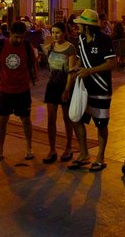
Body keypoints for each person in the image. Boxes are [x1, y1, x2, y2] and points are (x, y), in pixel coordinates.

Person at [69, 9, 117, 172]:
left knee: (101, 123)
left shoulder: (104, 40)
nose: (77, 28)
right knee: (77, 118)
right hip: (84, 88)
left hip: (101, 87)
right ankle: (84, 154)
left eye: (80, 25)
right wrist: (76, 68)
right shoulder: (81, 40)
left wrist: (89, 71)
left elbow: (111, 63)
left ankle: (100, 157)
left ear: (87, 26)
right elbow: (81, 59)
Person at [0, 21, 36, 162]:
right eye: (16, 37)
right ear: (10, 34)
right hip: (4, 90)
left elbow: (33, 63)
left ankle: (29, 149)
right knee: (2, 120)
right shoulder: (1, 45)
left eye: (22, 37)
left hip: (22, 90)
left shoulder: (27, 46)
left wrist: (32, 80)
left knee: (26, 120)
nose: (19, 40)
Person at [42, 22, 78, 164]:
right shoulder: (50, 47)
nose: (55, 35)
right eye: (53, 32)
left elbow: (70, 71)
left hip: (64, 86)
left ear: (64, 33)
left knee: (66, 118)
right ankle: (52, 149)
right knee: (51, 118)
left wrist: (67, 89)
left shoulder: (70, 48)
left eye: (58, 32)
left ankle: (68, 147)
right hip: (52, 85)